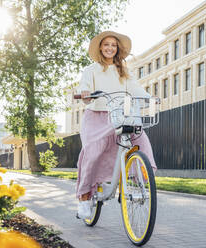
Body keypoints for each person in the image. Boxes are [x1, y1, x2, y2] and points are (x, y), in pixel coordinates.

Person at [75, 31, 157, 219]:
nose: (110, 48)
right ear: (100, 48)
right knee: (93, 153)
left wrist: (148, 98)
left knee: (140, 140)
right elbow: (84, 87)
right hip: (96, 116)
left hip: (120, 115)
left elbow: (135, 88)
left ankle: (137, 180)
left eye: (113, 45)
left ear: (117, 48)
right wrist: (86, 93)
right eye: (106, 45)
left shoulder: (124, 71)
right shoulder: (91, 70)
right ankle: (85, 198)